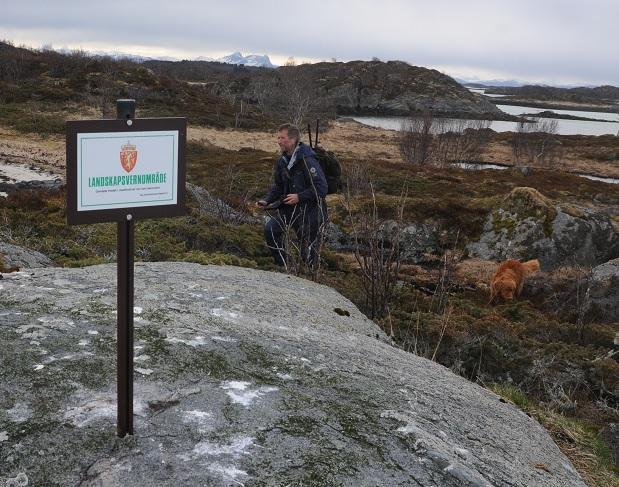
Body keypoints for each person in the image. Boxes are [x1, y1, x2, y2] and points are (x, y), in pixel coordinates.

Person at [257, 123, 328, 268]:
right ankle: (284, 266)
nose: (279, 141)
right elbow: (279, 185)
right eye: (278, 137)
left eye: (282, 138)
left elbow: (322, 188)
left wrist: (299, 196)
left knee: (308, 254)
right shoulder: (283, 160)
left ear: (293, 139)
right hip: (289, 209)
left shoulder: (308, 160)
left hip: (311, 213)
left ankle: (310, 279)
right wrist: (267, 200)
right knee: (270, 230)